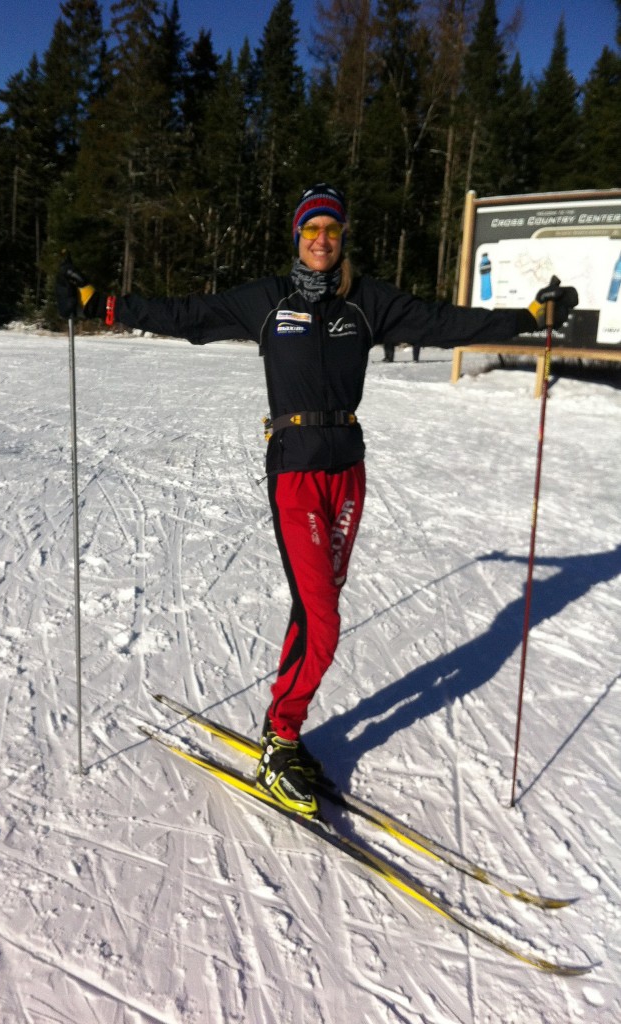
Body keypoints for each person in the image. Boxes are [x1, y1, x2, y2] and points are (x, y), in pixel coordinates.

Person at [56, 183, 578, 817]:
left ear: (342, 238)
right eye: (311, 231)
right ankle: (279, 740)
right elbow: (188, 315)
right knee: (324, 621)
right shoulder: (267, 301)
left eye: (331, 231)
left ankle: (287, 724)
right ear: (297, 238)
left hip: (347, 474)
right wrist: (102, 305)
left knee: (315, 611)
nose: (321, 241)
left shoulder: (366, 302)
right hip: (296, 473)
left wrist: (527, 317)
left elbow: (445, 322)